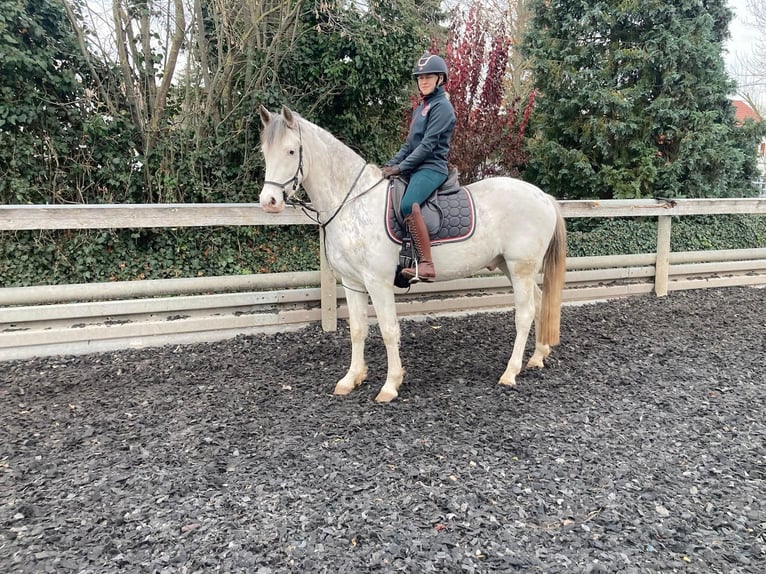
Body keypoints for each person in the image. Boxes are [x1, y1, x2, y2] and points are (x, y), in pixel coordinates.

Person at [382, 53, 456, 283]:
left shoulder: (442, 107)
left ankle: (426, 264)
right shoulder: (421, 107)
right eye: (420, 78)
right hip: (416, 167)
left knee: (407, 204)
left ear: (440, 79)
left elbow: (426, 146)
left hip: (432, 168)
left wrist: (402, 167)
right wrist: (390, 166)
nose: (423, 82)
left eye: (428, 77)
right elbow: (409, 144)